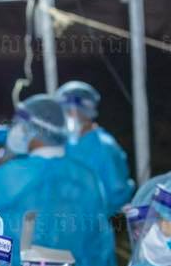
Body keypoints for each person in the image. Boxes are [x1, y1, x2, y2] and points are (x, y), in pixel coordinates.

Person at [0, 93, 115, 266]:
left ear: (32, 129)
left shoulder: (6, 177)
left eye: (20, 124)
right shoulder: (87, 177)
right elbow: (100, 243)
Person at [56, 80, 133, 212]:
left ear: (85, 111)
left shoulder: (105, 147)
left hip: (99, 220)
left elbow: (118, 196)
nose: (65, 116)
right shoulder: (67, 144)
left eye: (69, 111)